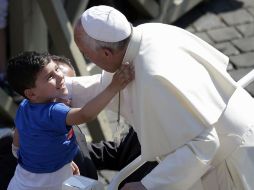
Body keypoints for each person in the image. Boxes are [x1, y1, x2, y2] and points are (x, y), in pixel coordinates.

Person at [66, 5, 254, 190]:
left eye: (85, 54)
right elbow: (110, 86)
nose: (85, 57)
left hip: (233, 158)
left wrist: (147, 185)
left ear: (106, 53)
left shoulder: (153, 77)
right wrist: (64, 90)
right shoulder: (146, 33)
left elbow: (204, 143)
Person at [6, 51, 134, 190]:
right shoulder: (53, 112)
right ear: (31, 93)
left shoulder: (24, 107)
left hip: (21, 180)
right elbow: (85, 115)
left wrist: (62, 162)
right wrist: (113, 87)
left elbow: (17, 143)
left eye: (56, 69)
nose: (60, 76)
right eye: (50, 77)